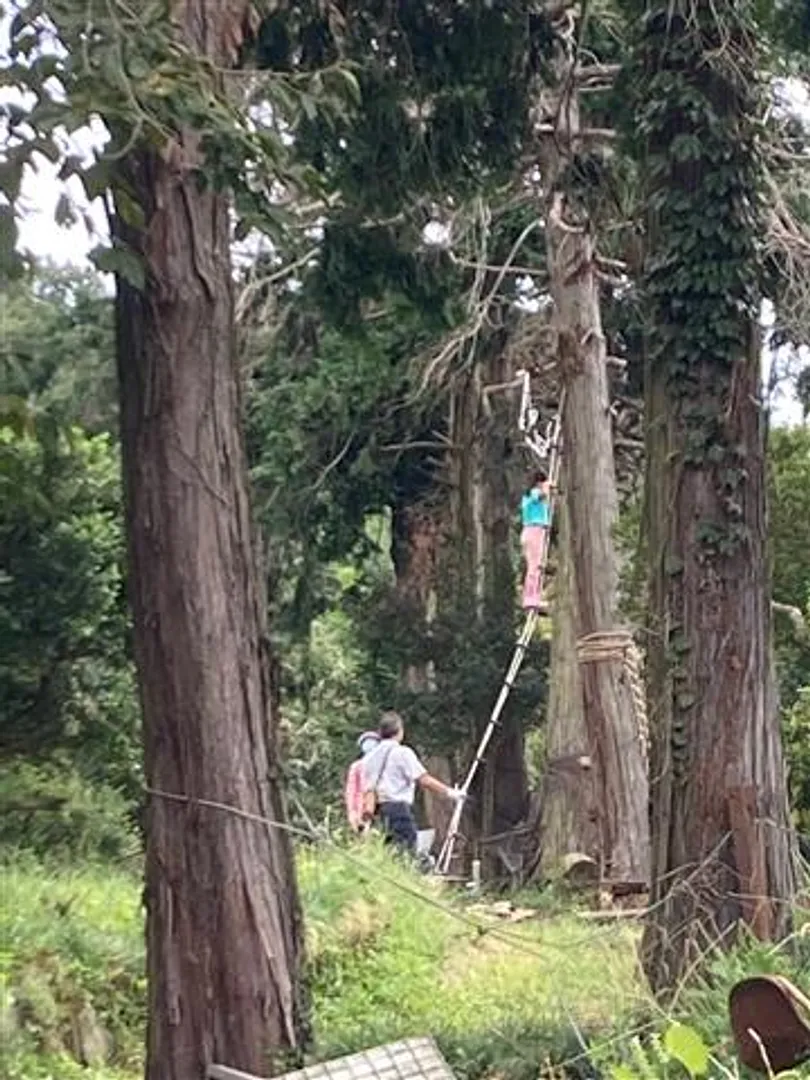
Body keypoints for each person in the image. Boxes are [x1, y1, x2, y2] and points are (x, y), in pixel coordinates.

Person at [362, 710, 463, 855]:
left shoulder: (370, 757)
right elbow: (424, 779)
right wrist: (450, 792)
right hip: (399, 809)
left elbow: (368, 788)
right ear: (399, 731)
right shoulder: (402, 753)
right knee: (407, 849)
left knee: (389, 851)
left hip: (381, 810)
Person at [520, 467, 552, 610]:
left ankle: (533, 597)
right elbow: (541, 495)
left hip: (532, 531)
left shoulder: (528, 496)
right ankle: (530, 598)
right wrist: (547, 487)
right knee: (535, 566)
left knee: (536, 566)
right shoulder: (533, 493)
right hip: (534, 530)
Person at [344, 730, 380, 832]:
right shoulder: (357, 766)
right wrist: (352, 811)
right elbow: (351, 791)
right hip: (363, 809)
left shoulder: (382, 764)